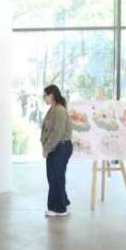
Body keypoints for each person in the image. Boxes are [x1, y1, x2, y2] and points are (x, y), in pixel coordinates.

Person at [40, 84, 73, 217]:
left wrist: (47, 148)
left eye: (45, 95)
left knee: (55, 177)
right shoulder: (53, 109)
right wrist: (44, 144)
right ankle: (63, 201)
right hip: (56, 147)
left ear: (52, 95)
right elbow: (47, 130)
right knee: (54, 176)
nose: (44, 98)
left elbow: (57, 133)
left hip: (60, 147)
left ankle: (59, 209)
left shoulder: (59, 110)